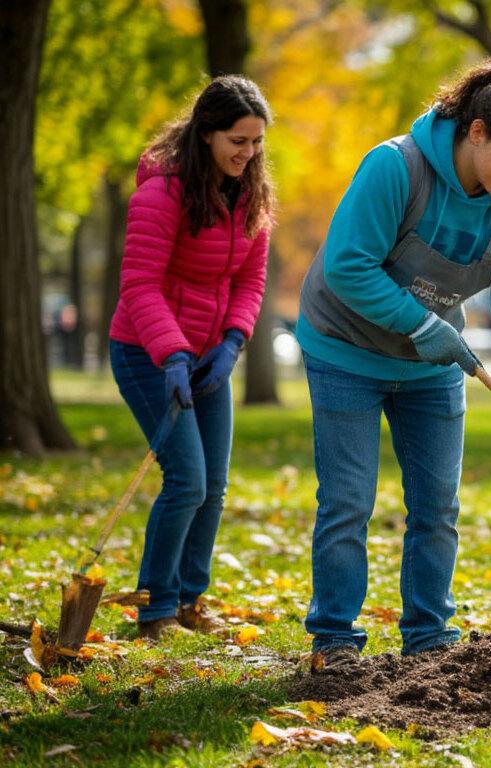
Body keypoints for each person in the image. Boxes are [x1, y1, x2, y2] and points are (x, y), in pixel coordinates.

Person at [296, 59, 491, 672]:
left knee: (437, 505)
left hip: (430, 366)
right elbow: (347, 266)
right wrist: (422, 325)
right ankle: (335, 641)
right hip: (344, 349)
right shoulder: (395, 168)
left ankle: (428, 638)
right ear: (476, 131)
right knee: (347, 501)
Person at [108, 76, 273, 641]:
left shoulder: (251, 195)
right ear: (206, 134)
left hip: (208, 356)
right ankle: (154, 612)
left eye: (256, 143)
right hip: (145, 351)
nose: (247, 154)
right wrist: (171, 353)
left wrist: (232, 343)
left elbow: (251, 279)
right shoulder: (161, 194)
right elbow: (138, 284)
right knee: (187, 480)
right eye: (237, 141)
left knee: (215, 483)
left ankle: (187, 603)